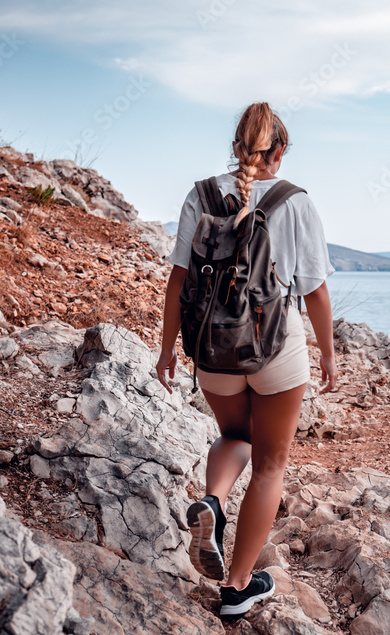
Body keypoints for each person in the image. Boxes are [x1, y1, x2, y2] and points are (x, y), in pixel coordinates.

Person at [155, 102, 336, 617]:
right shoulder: (294, 201)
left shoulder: (202, 194)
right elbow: (317, 293)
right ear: (278, 150)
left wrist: (169, 348)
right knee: (271, 462)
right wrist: (327, 354)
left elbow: (179, 282)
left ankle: (212, 501)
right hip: (276, 350)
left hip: (212, 349)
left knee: (235, 435)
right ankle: (236, 588)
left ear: (236, 146)